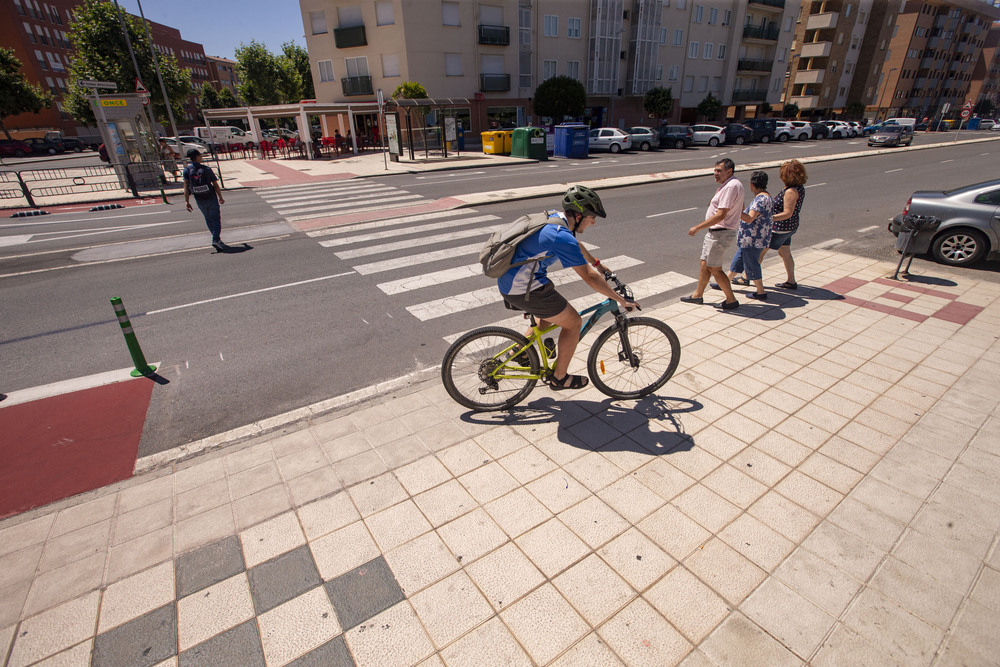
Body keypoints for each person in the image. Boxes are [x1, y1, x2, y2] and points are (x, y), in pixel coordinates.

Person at [498, 185, 639, 391]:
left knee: (551, 312)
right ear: (580, 215)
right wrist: (620, 299)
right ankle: (560, 378)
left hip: (515, 281)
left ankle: (519, 351)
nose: (594, 221)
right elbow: (588, 277)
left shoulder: (556, 220)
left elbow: (576, 245)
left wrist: (599, 265)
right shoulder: (560, 236)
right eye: (592, 216)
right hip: (523, 287)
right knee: (573, 322)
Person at [680, 158, 745, 310]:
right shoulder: (731, 184)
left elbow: (721, 215)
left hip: (720, 233)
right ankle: (698, 295)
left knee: (715, 268)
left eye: (719, 171)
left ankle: (731, 300)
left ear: (729, 171)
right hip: (716, 233)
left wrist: (698, 227)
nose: (715, 173)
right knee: (704, 263)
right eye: (715, 170)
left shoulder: (731, 186)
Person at [724, 171, 773, 300]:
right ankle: (724, 282)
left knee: (752, 265)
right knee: (738, 260)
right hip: (751, 240)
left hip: (752, 240)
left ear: (752, 184)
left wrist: (735, 211)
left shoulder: (760, 199)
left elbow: (750, 218)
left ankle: (761, 291)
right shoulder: (766, 197)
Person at [761, 159, 808, 289]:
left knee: (759, 252)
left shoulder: (791, 191)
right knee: (785, 252)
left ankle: (749, 278)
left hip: (780, 228)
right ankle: (791, 281)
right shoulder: (798, 188)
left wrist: (768, 219)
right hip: (789, 227)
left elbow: (787, 212)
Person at [183, 149, 227, 251]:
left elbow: (186, 186)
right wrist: (220, 197)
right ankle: (215, 239)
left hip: (199, 198)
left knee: (208, 218)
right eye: (200, 156)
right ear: (197, 156)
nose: (201, 158)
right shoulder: (206, 169)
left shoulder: (187, 170)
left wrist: (187, 201)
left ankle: (217, 239)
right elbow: (215, 185)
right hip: (210, 197)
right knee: (216, 219)